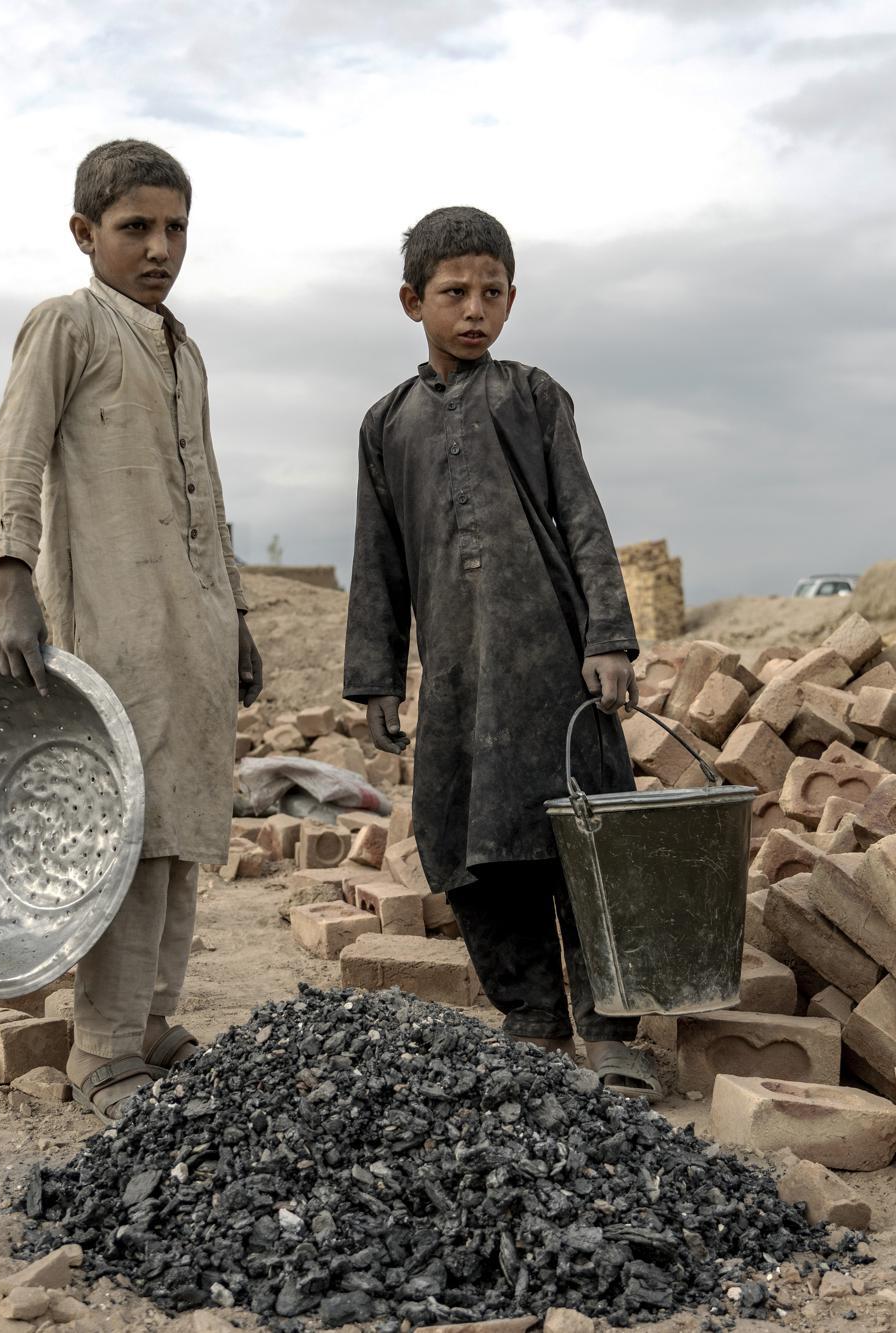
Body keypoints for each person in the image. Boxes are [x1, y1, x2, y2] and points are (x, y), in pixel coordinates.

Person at [342, 206, 658, 1095]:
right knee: (470, 845)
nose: (474, 309)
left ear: (513, 299)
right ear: (413, 301)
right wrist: (375, 678)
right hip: (453, 677)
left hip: (555, 663)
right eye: (454, 293)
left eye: (492, 292)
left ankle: (610, 1027)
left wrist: (608, 638)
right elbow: (379, 559)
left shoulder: (534, 396)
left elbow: (586, 521)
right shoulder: (385, 424)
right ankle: (531, 1015)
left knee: (582, 841)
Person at [0, 139, 263, 1121]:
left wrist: (237, 617)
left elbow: (208, 496)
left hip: (191, 629)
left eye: (175, 227)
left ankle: (150, 1023)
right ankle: (101, 1049)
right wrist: (12, 583)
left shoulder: (183, 347)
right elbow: (11, 454)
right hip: (112, 624)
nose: (159, 247)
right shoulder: (67, 324)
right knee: (124, 834)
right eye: (135, 227)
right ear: (83, 233)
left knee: (181, 830)